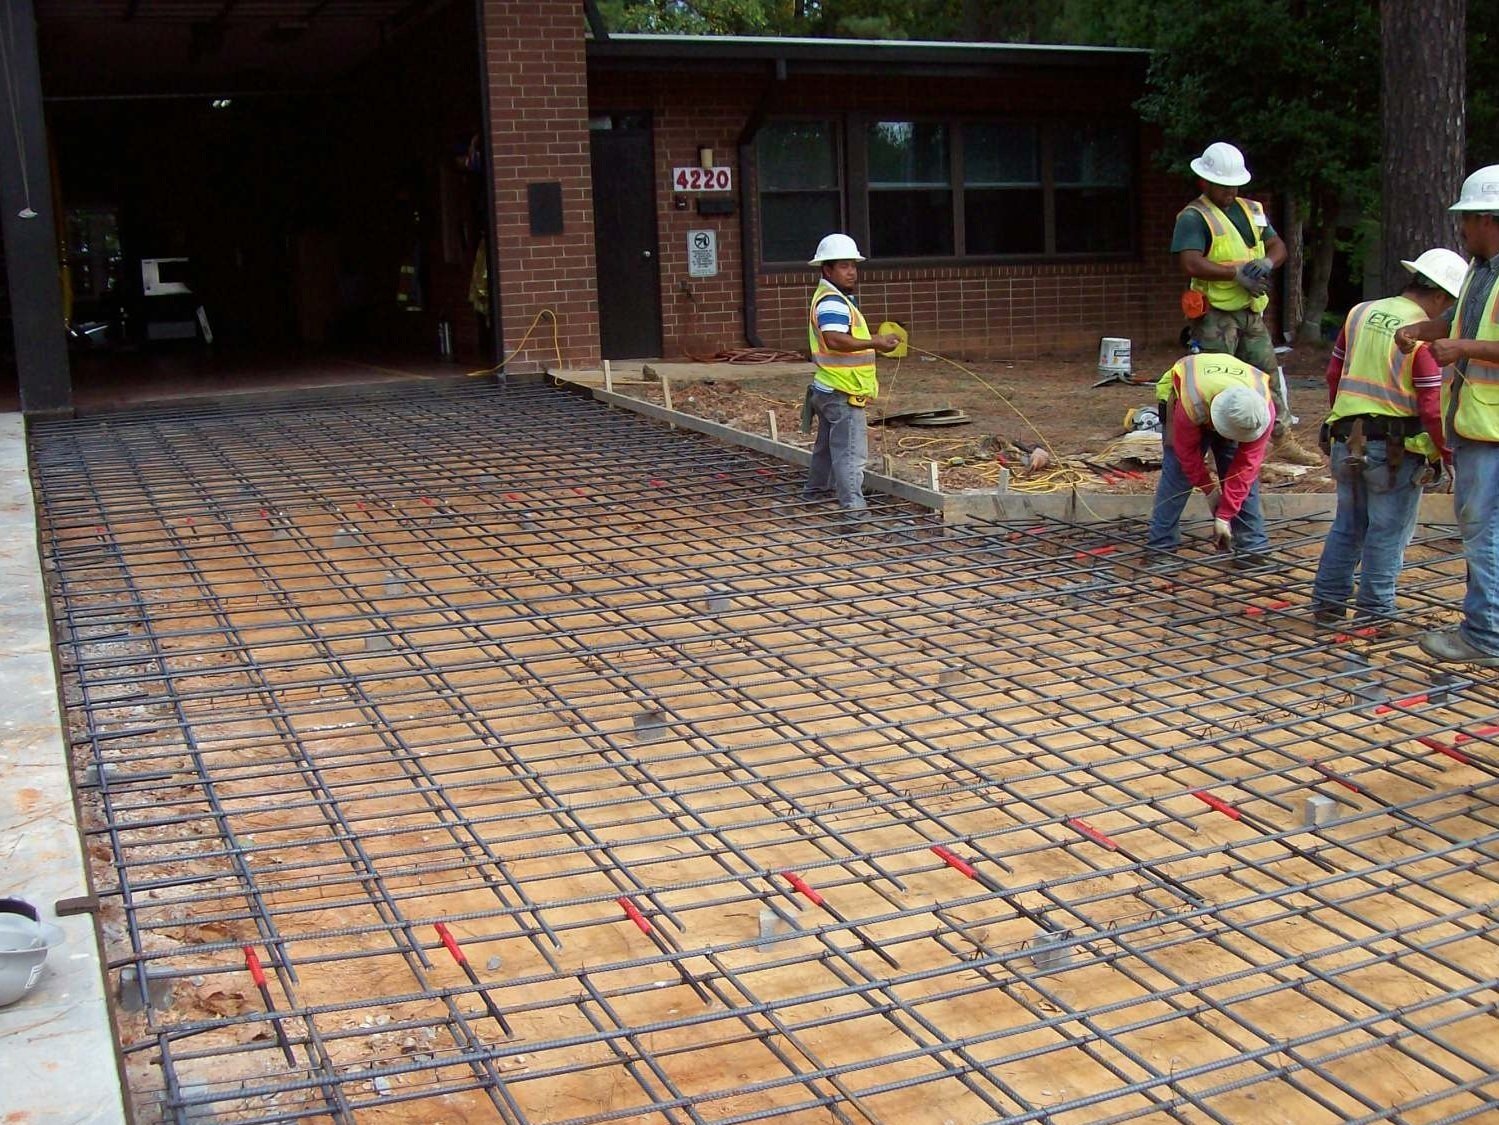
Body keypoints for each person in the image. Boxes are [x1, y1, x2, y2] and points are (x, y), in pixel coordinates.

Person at [1311, 248, 1467, 630]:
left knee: (1348, 524)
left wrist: (1338, 419)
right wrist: (1446, 454)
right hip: (1394, 449)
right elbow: (1430, 405)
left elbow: (1334, 373)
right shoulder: (1423, 333)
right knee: (1387, 532)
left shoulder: (1360, 312)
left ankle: (1327, 606)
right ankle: (1375, 616)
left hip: (1346, 437)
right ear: (1441, 298)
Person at [1393, 166, 1499, 666]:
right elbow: (1460, 325)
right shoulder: (1481, 272)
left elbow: (1470, 339)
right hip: (1478, 422)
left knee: (1482, 528)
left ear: (1490, 219)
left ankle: (1485, 635)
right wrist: (1427, 328)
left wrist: (1462, 347)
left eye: (1468, 221)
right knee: (1486, 529)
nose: (1461, 230)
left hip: (1491, 427)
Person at [1172, 141, 1321, 467]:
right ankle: (1218, 452)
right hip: (1213, 316)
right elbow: (1191, 263)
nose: (1230, 191)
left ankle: (1282, 439)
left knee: (1267, 375)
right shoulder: (1194, 218)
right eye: (1223, 186)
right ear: (1205, 182)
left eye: (1234, 185)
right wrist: (1234, 274)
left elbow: (1277, 245)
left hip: (1250, 312)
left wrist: (1267, 263)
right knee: (1217, 381)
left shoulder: (1252, 210)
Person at [798, 234, 902, 512]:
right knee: (850, 453)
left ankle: (815, 493)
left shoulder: (834, 297)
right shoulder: (833, 301)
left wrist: (874, 345)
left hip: (828, 387)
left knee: (827, 449)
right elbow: (834, 338)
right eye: (844, 266)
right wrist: (875, 342)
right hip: (842, 391)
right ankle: (853, 508)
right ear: (827, 270)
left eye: (853, 265)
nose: (851, 271)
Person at [1147, 352, 1275, 568]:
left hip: (1229, 399)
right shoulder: (1191, 404)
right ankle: (1161, 548)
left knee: (1241, 476)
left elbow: (1245, 469)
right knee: (1177, 475)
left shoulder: (1261, 412)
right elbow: (1187, 456)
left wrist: (1224, 515)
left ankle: (1252, 548)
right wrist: (1210, 492)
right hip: (1184, 398)